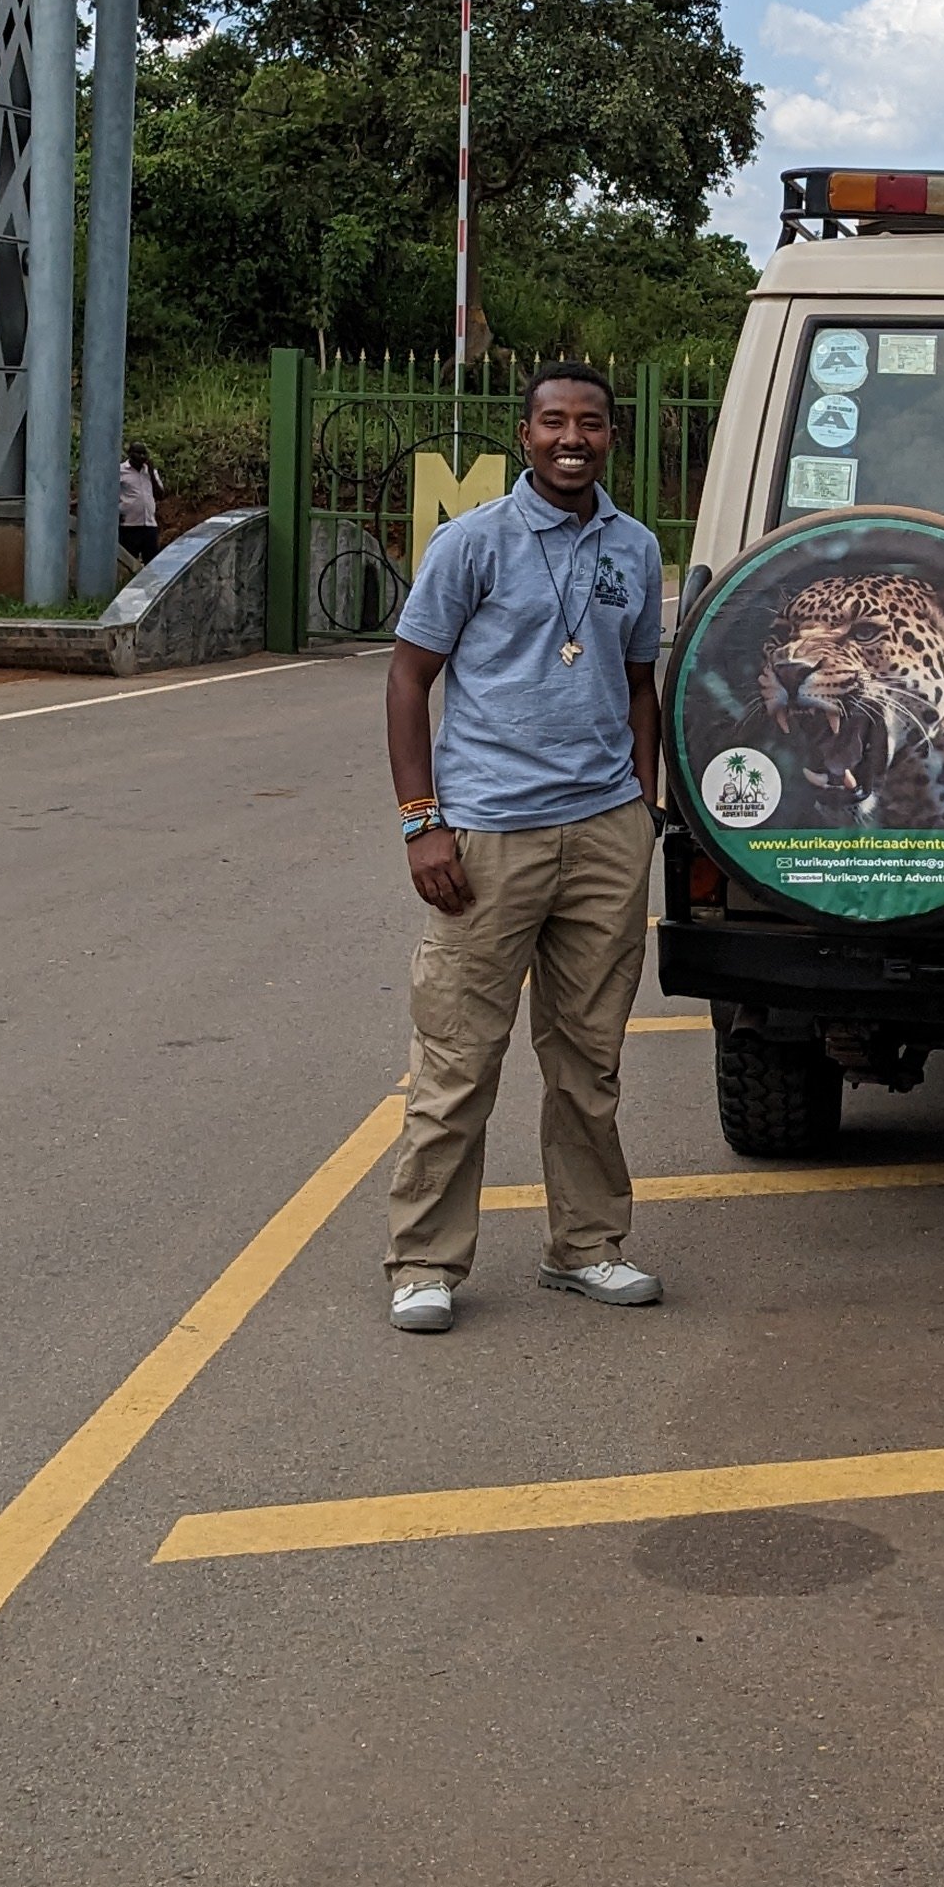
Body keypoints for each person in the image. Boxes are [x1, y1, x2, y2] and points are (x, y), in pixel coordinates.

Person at [380, 362, 667, 1334]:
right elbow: (410, 677)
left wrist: (645, 807)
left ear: (612, 436)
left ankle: (585, 1246)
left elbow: (638, 688)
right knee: (458, 1058)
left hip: (604, 833)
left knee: (588, 1061)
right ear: (525, 433)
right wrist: (424, 820)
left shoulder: (635, 548)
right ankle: (424, 1261)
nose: (571, 438)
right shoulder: (474, 543)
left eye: (589, 421)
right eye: (553, 422)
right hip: (487, 835)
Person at [118, 443, 161, 565]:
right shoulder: (121, 471)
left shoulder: (150, 472)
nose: (142, 457)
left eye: (144, 454)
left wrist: (151, 474)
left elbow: (160, 495)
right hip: (129, 526)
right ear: (130, 454)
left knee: (152, 563)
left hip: (149, 524)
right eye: (138, 453)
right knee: (128, 563)